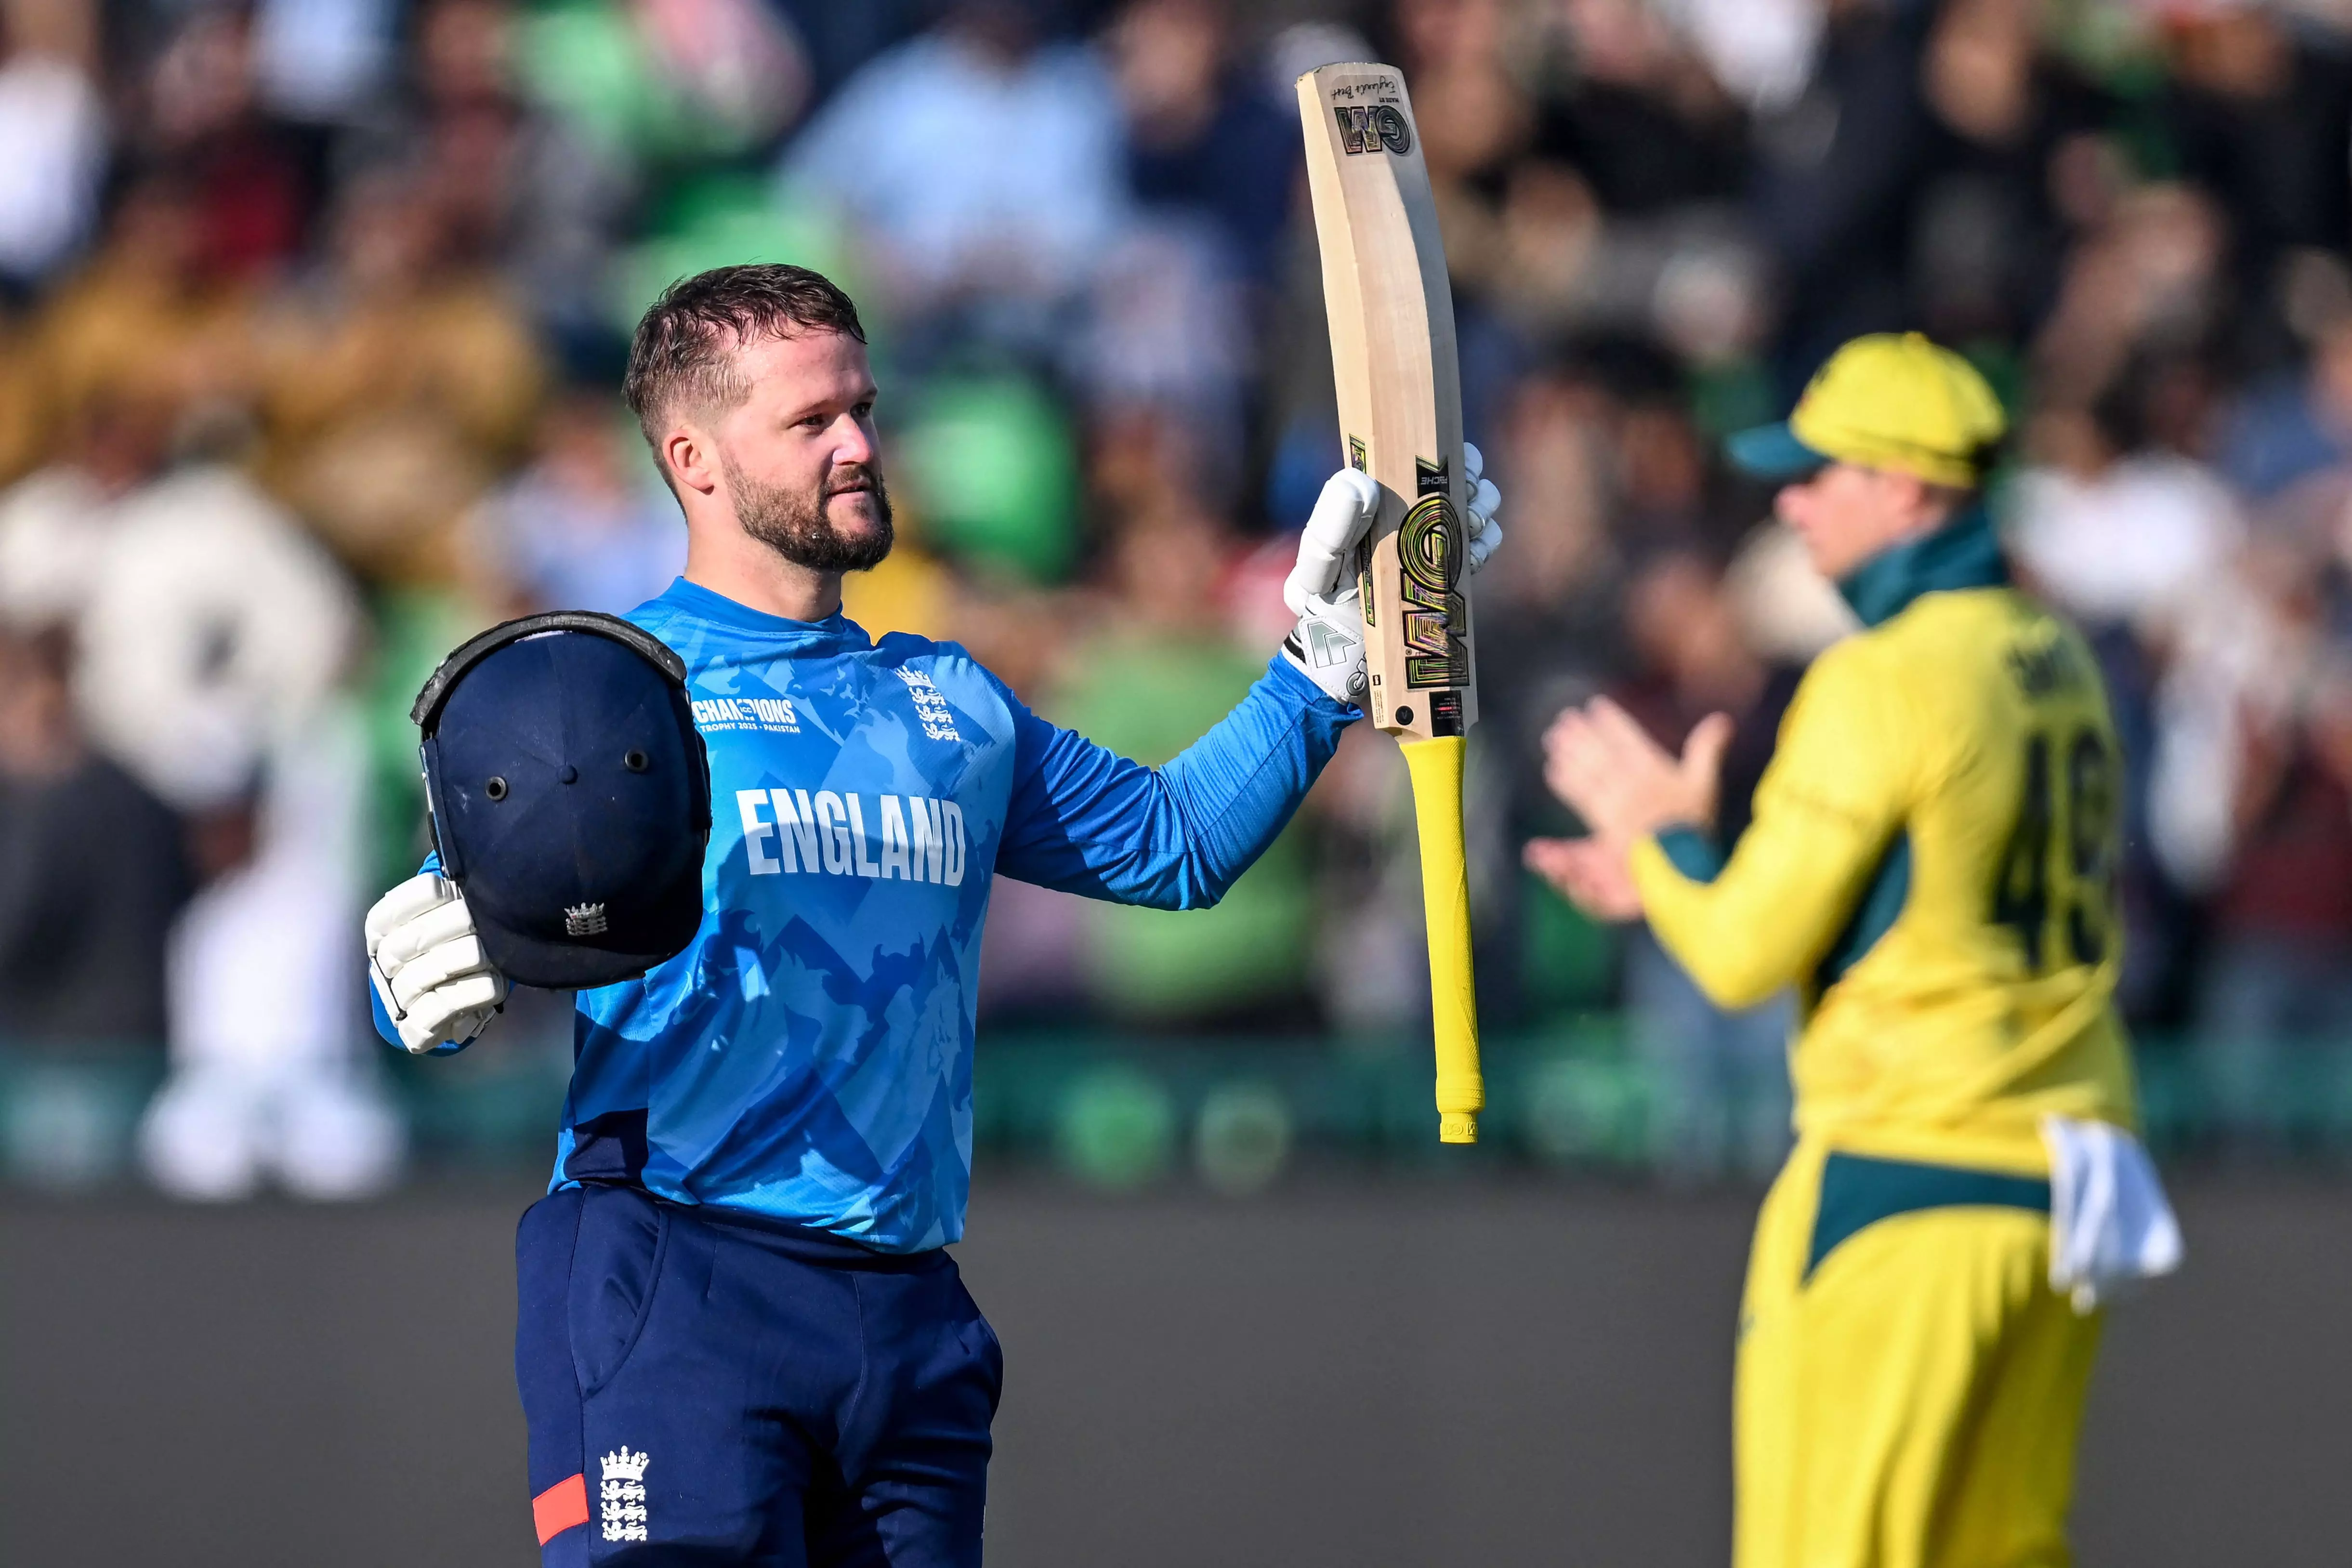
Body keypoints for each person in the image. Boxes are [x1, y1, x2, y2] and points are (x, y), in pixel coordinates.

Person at [362, 263, 1499, 1566]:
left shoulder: (947, 697)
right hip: (678, 1273)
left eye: (862, 407)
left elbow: (1172, 846)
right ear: (695, 458)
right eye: (810, 422)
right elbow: (455, 952)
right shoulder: (611, 696)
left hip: (905, 1309)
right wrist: (414, 983)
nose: (858, 445)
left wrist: (1326, 665)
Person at [1526, 334, 2175, 1568]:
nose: (1791, 499)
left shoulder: (1877, 678)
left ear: (1907, 489)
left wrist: (1662, 845)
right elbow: (1908, 892)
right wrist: (1688, 862)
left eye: (1822, 472)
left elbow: (1737, 956)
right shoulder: (2057, 653)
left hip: (1903, 1178)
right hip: (2068, 1179)